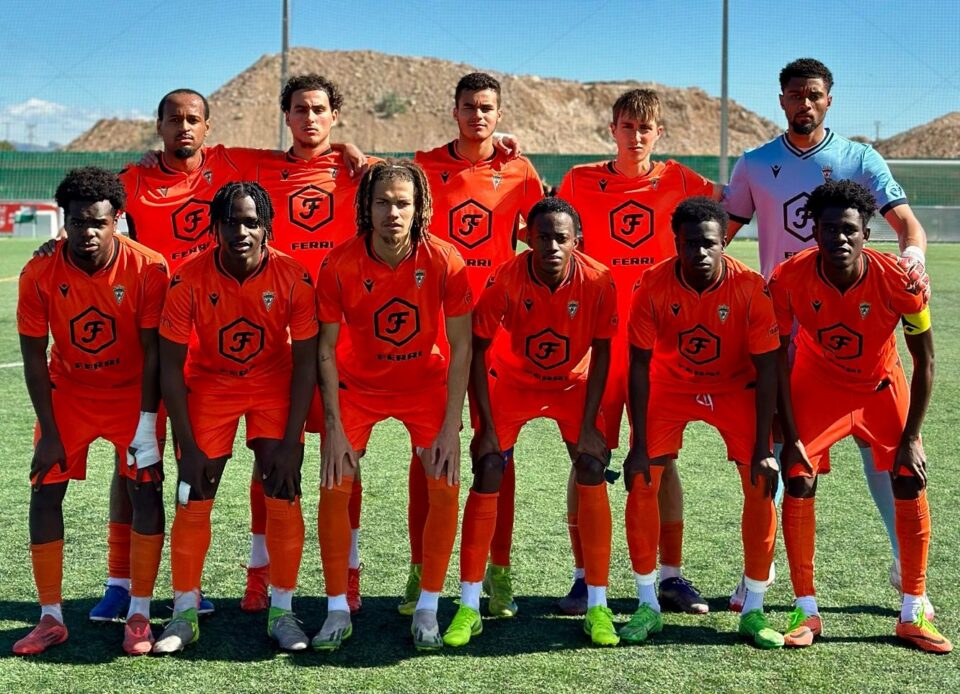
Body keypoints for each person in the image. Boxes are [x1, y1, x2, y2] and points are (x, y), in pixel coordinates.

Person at [722, 57, 932, 612]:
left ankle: (903, 562)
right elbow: (719, 235)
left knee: (883, 452)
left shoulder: (860, 159)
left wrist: (913, 258)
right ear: (782, 100)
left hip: (853, 325)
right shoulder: (754, 164)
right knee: (775, 452)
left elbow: (907, 224)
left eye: (814, 95)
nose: (805, 103)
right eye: (795, 95)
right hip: (783, 327)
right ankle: (758, 572)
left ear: (829, 100)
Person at [555, 88, 720, 615]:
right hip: (599, 346)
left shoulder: (684, 182)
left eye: (646, 128)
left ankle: (670, 577)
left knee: (661, 461)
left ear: (659, 133)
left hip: (662, 348)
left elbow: (735, 207)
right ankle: (584, 579)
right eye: (627, 126)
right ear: (612, 130)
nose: (636, 136)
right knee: (587, 458)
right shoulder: (579, 181)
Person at [769, 179, 950, 654]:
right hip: (817, 385)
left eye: (850, 230)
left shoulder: (900, 281)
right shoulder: (788, 278)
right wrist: (787, 430)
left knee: (909, 477)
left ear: (867, 233)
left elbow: (926, 360)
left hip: (880, 386)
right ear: (815, 232)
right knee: (798, 476)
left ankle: (913, 610)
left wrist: (911, 438)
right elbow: (776, 353)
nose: (839, 238)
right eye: (829, 229)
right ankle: (805, 609)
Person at [443, 197, 618, 647]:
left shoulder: (599, 279)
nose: (552, 247)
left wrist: (591, 424)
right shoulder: (506, 277)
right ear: (528, 239)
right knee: (489, 466)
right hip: (514, 383)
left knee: (591, 466)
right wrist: (484, 426)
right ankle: (469, 605)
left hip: (573, 387)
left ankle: (598, 605)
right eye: (543, 238)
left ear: (577, 241)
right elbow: (478, 348)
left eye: (561, 238)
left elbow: (602, 352)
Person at [152, 181, 318, 654]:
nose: (240, 231)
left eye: (250, 222)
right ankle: (184, 613)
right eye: (230, 222)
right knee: (193, 494)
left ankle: (282, 611)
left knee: (283, 490)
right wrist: (187, 446)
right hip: (212, 384)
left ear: (266, 228)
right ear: (214, 228)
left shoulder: (293, 276)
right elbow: (170, 367)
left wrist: (292, 440)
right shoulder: (188, 279)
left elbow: (306, 362)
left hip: (272, 383)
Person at [400, 71, 543, 617]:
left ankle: (496, 572)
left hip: (497, 332)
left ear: (499, 114)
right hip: (435, 330)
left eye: (487, 108)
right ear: (454, 111)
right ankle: (420, 571)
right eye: (469, 106)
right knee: (427, 452)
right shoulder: (424, 165)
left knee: (495, 451)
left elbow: (543, 237)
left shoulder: (520, 170)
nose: (478, 115)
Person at [314, 160, 472, 651]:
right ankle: (336, 608)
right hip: (357, 387)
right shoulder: (339, 263)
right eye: (382, 202)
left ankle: (428, 606)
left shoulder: (445, 259)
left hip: (423, 386)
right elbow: (324, 349)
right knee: (334, 483)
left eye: (403, 203)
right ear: (366, 206)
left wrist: (451, 426)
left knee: (445, 481)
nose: (392, 213)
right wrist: (333, 427)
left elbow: (462, 346)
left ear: (420, 207)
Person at [14, 167, 168, 656]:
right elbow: (33, 357)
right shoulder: (39, 272)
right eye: (78, 222)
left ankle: (139, 613)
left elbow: (154, 354)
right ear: (65, 221)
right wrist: (50, 432)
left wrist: (146, 425)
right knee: (44, 492)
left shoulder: (148, 268)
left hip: (131, 395)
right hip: (70, 393)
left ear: (117, 219)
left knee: (147, 490)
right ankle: (50, 617)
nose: (88, 232)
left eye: (98, 222)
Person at [623, 197, 782, 649]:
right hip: (671, 387)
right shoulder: (652, 285)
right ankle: (647, 604)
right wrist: (637, 445)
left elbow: (768, 368)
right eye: (690, 243)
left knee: (760, 483)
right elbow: (639, 365)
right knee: (643, 480)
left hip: (734, 388)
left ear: (724, 242)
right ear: (676, 243)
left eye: (709, 243)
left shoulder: (749, 287)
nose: (700, 252)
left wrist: (764, 447)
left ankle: (753, 609)